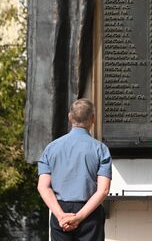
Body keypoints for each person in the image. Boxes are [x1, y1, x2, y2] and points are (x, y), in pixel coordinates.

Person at [37, 98, 112, 240]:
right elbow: (103, 190)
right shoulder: (101, 150)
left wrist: (60, 216)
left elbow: (43, 187)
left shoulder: (51, 148)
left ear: (69, 117)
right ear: (93, 119)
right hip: (90, 214)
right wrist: (79, 217)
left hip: (61, 213)